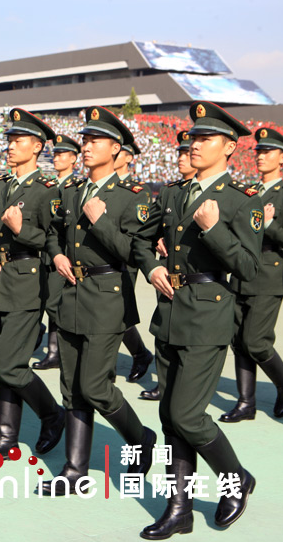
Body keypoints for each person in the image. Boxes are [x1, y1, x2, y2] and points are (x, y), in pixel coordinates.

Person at [134, 101, 259, 538]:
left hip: (207, 316)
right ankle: (179, 508)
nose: (195, 143)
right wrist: (150, 266)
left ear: (229, 147)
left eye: (206, 138)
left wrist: (214, 229)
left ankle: (236, 479)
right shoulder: (172, 193)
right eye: (194, 136)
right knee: (170, 418)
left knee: (188, 415)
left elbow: (248, 268)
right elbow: (140, 239)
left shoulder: (241, 201)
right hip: (168, 314)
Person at [40, 106, 156, 496]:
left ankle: (141, 438)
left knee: (95, 386)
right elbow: (55, 232)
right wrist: (56, 254)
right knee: (71, 386)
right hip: (70, 295)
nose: (86, 147)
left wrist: (101, 220)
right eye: (85, 140)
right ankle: (75, 469)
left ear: (116, 148)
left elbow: (133, 253)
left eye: (94, 141)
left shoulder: (132, 199)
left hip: (107, 297)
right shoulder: (71, 190)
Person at [0, 108, 65, 463]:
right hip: (2, 282)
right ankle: (6, 437)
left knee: (11, 365)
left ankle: (50, 414)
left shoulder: (47, 190)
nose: (10, 146)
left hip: (29, 284)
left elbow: (54, 240)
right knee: (1, 366)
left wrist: (20, 231)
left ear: (37, 147)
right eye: (9, 140)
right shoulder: (0, 185)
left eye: (18, 141)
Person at [219, 125, 283, 423]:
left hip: (269, 277)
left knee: (256, 341)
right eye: (258, 151)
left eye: (267, 152)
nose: (260, 156)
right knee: (238, 339)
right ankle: (246, 403)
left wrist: (268, 225)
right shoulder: (251, 192)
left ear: (281, 158)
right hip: (241, 275)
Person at [139, 130, 196, 402]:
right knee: (164, 327)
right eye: (180, 153)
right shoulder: (169, 192)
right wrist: (157, 243)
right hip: (166, 271)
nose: (182, 158)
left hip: (197, 277)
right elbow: (145, 232)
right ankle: (163, 383)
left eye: (187, 153)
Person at [33, 134, 82, 370]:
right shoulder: (51, 185)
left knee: (55, 305)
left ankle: (56, 352)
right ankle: (53, 349)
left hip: (62, 256)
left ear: (74, 159)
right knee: (45, 301)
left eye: (62, 154)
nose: (56, 158)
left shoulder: (76, 187)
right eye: (55, 153)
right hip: (44, 253)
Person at [113, 140, 155, 383]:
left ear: (128, 157)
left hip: (123, 258)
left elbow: (138, 233)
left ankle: (140, 353)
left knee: (120, 311)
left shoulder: (138, 190)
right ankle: (141, 353)